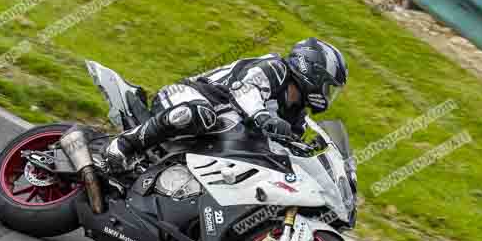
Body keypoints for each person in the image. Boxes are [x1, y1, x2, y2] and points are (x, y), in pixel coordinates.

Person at [104, 37, 348, 171]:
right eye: (328, 86)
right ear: (311, 71)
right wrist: (265, 118)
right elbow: (247, 93)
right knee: (202, 114)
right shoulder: (275, 68)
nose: (328, 95)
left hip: (216, 134)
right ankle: (125, 145)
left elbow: (287, 146)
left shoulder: (296, 115)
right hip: (188, 97)